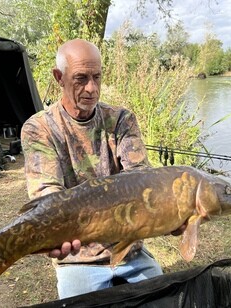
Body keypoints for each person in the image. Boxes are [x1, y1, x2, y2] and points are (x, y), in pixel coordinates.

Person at [21, 39, 181, 299]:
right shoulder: (39, 128)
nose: (92, 89)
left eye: (97, 77)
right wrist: (54, 232)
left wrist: (171, 215)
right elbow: (45, 193)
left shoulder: (120, 120)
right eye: (81, 78)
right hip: (77, 255)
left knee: (167, 302)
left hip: (131, 249)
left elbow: (142, 180)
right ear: (59, 77)